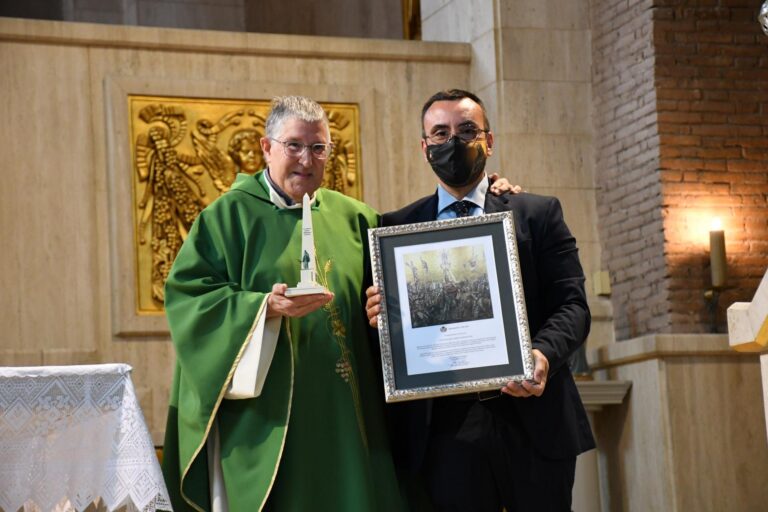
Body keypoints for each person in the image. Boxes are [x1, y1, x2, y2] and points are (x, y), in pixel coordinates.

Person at [161, 96, 403, 511]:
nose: (306, 160)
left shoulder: (357, 219)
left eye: (318, 148)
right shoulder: (227, 218)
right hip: (268, 422)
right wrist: (262, 308)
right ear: (266, 147)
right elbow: (190, 298)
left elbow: (393, 292)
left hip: (345, 414)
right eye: (293, 145)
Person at [366, 89, 595, 511]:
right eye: (440, 133)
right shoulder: (395, 229)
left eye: (467, 130)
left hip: (533, 418)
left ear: (489, 141)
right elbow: (387, 337)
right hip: (444, 432)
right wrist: (382, 318)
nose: (453, 142)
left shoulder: (536, 214)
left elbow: (573, 306)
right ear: (424, 147)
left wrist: (542, 355)